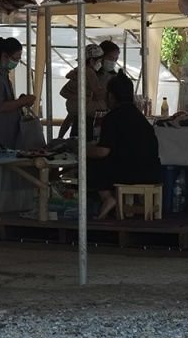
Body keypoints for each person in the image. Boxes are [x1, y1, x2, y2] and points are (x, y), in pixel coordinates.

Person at [86, 71, 162, 220]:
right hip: (152, 171)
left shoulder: (112, 117)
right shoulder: (141, 118)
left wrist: (85, 149)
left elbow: (102, 152)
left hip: (128, 173)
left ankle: (108, 198)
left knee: (91, 162)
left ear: (111, 96)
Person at [0, 37, 35, 150]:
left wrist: (21, 102)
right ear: (4, 56)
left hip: (7, 129)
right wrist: (22, 101)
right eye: (15, 59)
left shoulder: (2, 73)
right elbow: (0, 106)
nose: (16, 63)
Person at [58, 45, 107, 139]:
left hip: (71, 105)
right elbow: (97, 90)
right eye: (100, 61)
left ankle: (59, 137)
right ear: (92, 61)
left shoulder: (77, 70)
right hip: (85, 106)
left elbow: (68, 76)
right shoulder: (89, 72)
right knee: (106, 108)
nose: (100, 64)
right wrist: (107, 90)